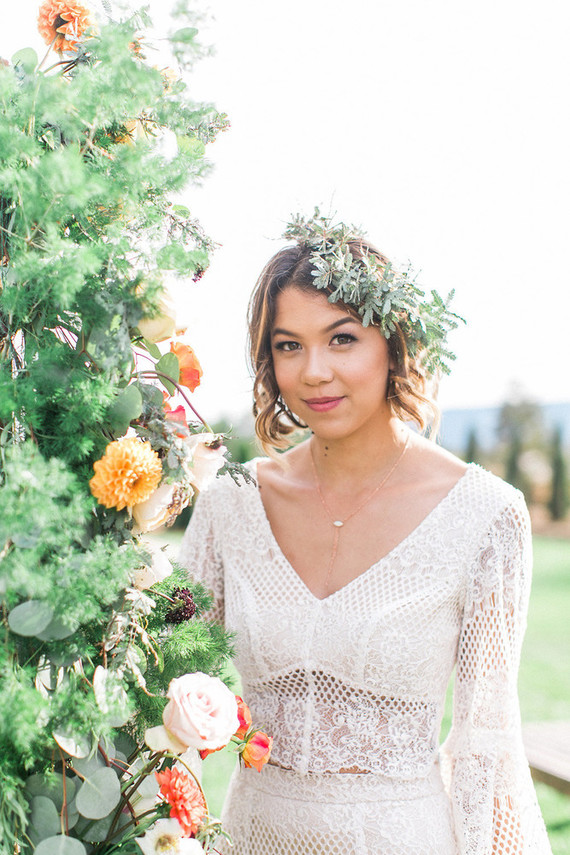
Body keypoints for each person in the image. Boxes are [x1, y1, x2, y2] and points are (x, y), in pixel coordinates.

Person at [179, 210, 552, 854]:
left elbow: (485, 745)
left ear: (392, 342)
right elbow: (166, 688)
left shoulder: (484, 517)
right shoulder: (231, 504)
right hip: (252, 836)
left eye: (342, 338)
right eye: (288, 344)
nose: (313, 371)